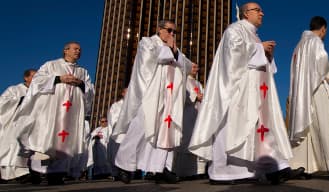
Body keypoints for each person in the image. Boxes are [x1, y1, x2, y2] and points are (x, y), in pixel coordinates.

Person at [189, 2, 304, 185]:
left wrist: (267, 55)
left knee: (262, 128)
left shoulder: (254, 36)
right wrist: (260, 49)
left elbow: (262, 64)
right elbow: (233, 54)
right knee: (236, 128)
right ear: (245, 13)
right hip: (240, 91)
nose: (262, 13)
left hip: (259, 90)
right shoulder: (234, 29)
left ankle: (275, 168)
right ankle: (227, 173)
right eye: (257, 10)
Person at [112, 20, 193, 184]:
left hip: (170, 97)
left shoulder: (175, 49)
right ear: (159, 29)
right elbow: (150, 59)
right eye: (169, 30)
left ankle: (159, 168)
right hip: (151, 95)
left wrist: (175, 51)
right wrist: (170, 50)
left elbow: (187, 65)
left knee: (166, 131)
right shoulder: (147, 42)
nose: (172, 35)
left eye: (174, 32)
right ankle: (124, 166)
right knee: (140, 128)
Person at [5, 42, 93, 185]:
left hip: (71, 112)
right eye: (75, 49)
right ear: (66, 50)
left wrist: (81, 83)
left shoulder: (83, 71)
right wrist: (59, 79)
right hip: (53, 110)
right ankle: (36, 171)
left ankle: (56, 175)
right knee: (47, 140)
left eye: (80, 50)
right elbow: (38, 81)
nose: (78, 51)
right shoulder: (51, 65)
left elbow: (90, 89)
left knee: (64, 144)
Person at [287, 16, 329, 178]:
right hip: (318, 87)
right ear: (323, 29)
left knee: (305, 127)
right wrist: (328, 70)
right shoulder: (315, 41)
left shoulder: (299, 46)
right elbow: (322, 61)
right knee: (326, 123)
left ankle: (302, 166)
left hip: (303, 92)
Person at [0, 69, 37, 181]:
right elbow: (2, 103)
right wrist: (17, 101)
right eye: (33, 76)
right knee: (15, 147)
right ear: (26, 77)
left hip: (32, 124)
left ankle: (32, 172)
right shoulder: (14, 89)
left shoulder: (38, 91)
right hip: (16, 123)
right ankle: (18, 173)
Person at [174, 63, 206, 179]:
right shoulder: (184, 81)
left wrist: (203, 97)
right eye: (193, 67)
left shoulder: (198, 83)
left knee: (196, 140)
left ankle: (196, 171)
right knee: (186, 140)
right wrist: (195, 96)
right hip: (187, 114)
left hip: (197, 115)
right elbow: (182, 95)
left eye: (197, 67)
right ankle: (182, 172)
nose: (196, 69)